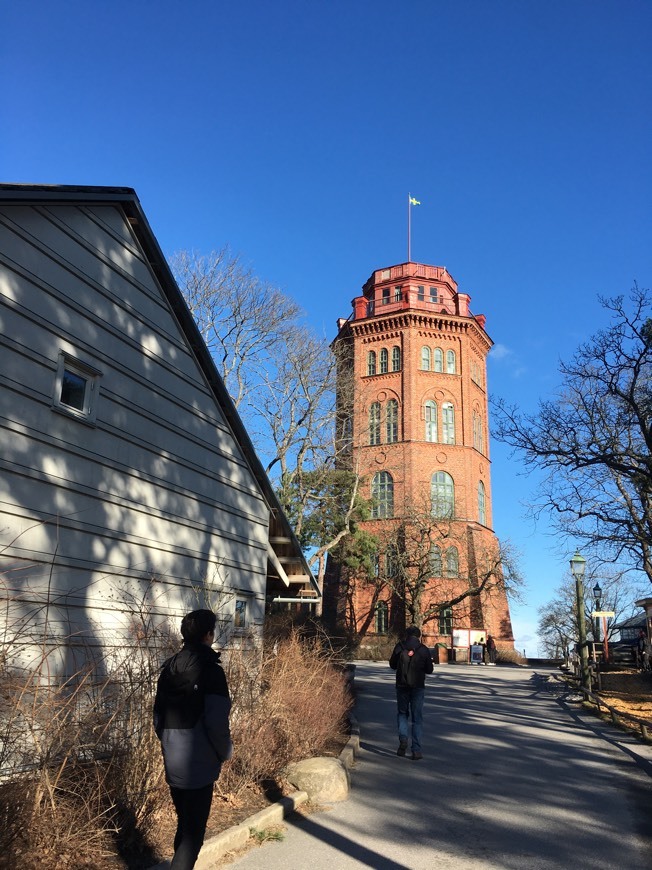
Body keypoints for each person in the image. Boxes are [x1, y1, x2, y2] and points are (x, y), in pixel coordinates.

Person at [154, 609, 233, 870]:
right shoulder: (211, 671)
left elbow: (158, 717)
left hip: (173, 758)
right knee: (194, 835)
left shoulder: (169, 669)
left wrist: (169, 744)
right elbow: (217, 723)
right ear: (208, 635)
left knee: (185, 826)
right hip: (199, 763)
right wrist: (225, 752)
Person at [389, 625, 434, 760]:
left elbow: (392, 665)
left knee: (402, 714)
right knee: (417, 718)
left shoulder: (400, 646)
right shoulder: (423, 649)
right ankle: (416, 750)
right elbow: (429, 670)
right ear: (419, 636)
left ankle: (403, 739)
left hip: (401, 686)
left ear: (406, 635)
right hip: (418, 687)